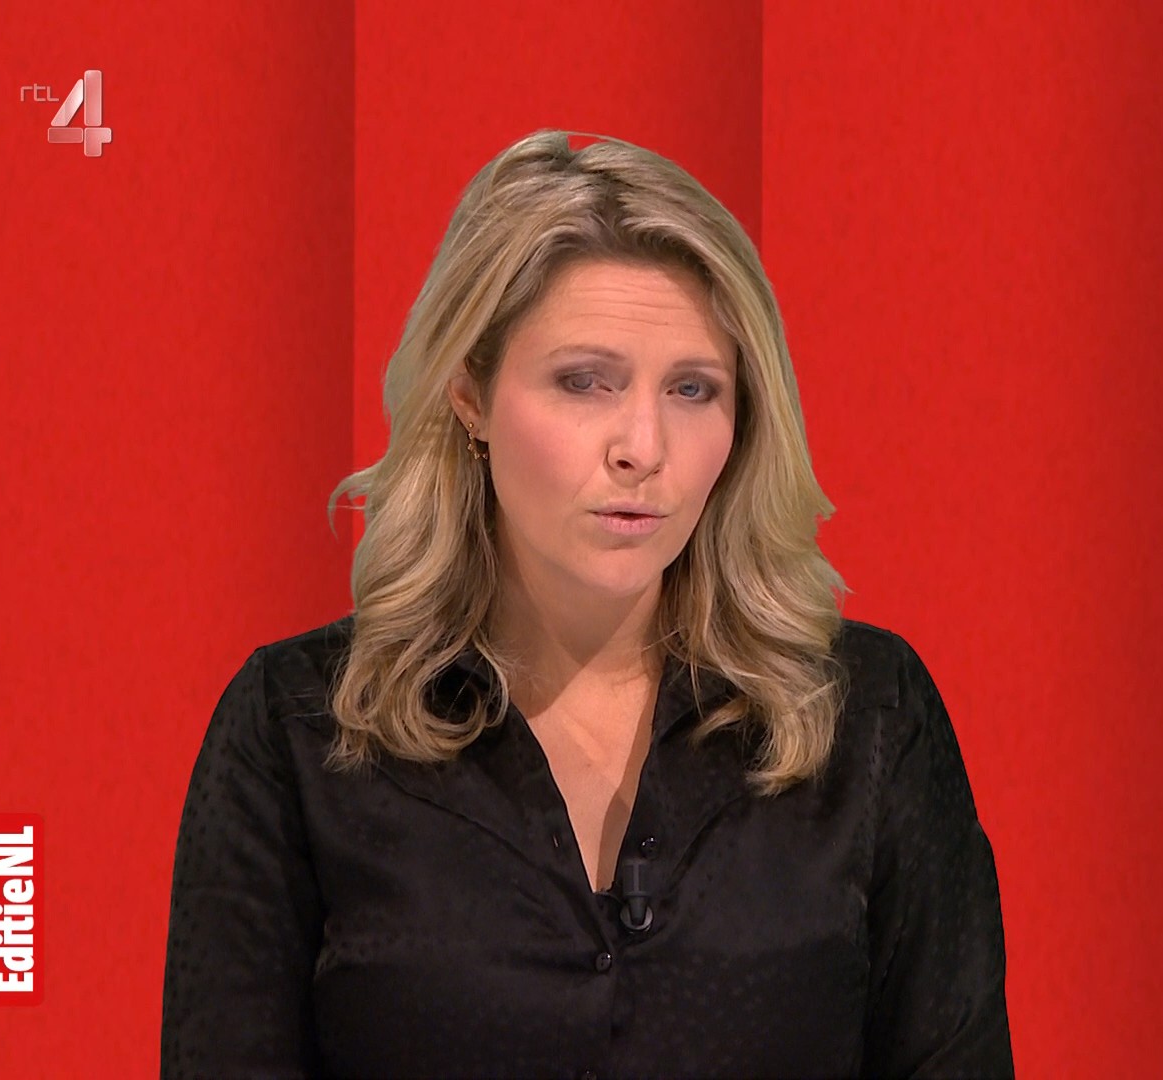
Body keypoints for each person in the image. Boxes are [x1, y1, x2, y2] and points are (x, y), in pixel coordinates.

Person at [158, 129, 1013, 1079]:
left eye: (693, 389)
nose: (642, 446)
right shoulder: (297, 729)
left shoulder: (868, 717)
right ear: (470, 394)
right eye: (585, 382)